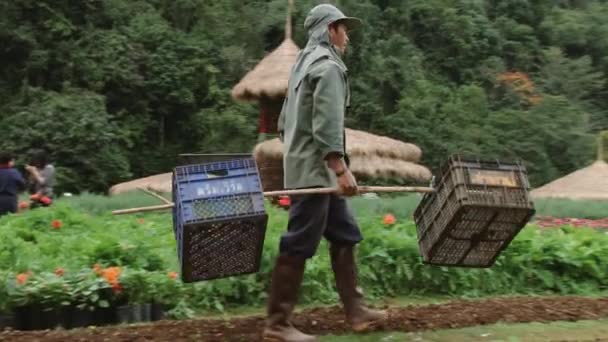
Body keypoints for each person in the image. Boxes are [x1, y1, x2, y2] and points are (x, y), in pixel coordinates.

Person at [266, 4, 386, 341]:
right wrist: (340, 168)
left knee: (345, 233)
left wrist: (300, 157)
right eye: (343, 28)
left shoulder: (303, 64)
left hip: (307, 167)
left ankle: (357, 312)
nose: (346, 36)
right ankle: (277, 324)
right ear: (330, 29)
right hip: (317, 173)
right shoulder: (329, 67)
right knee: (299, 241)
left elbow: (282, 123)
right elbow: (327, 123)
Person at [0, 152, 26, 216]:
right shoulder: (14, 172)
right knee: (11, 220)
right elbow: (22, 184)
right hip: (10, 200)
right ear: (9, 161)